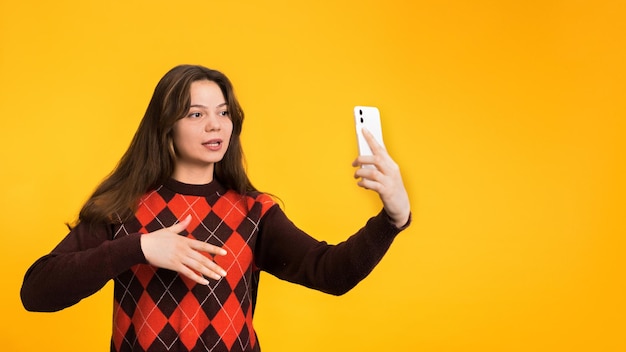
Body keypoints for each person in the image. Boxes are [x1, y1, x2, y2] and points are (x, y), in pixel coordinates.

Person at [20, 64, 411, 352]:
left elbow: (332, 273)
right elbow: (37, 292)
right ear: (166, 125)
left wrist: (392, 219)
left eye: (223, 112)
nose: (215, 125)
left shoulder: (253, 213)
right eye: (196, 114)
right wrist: (139, 248)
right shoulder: (122, 208)